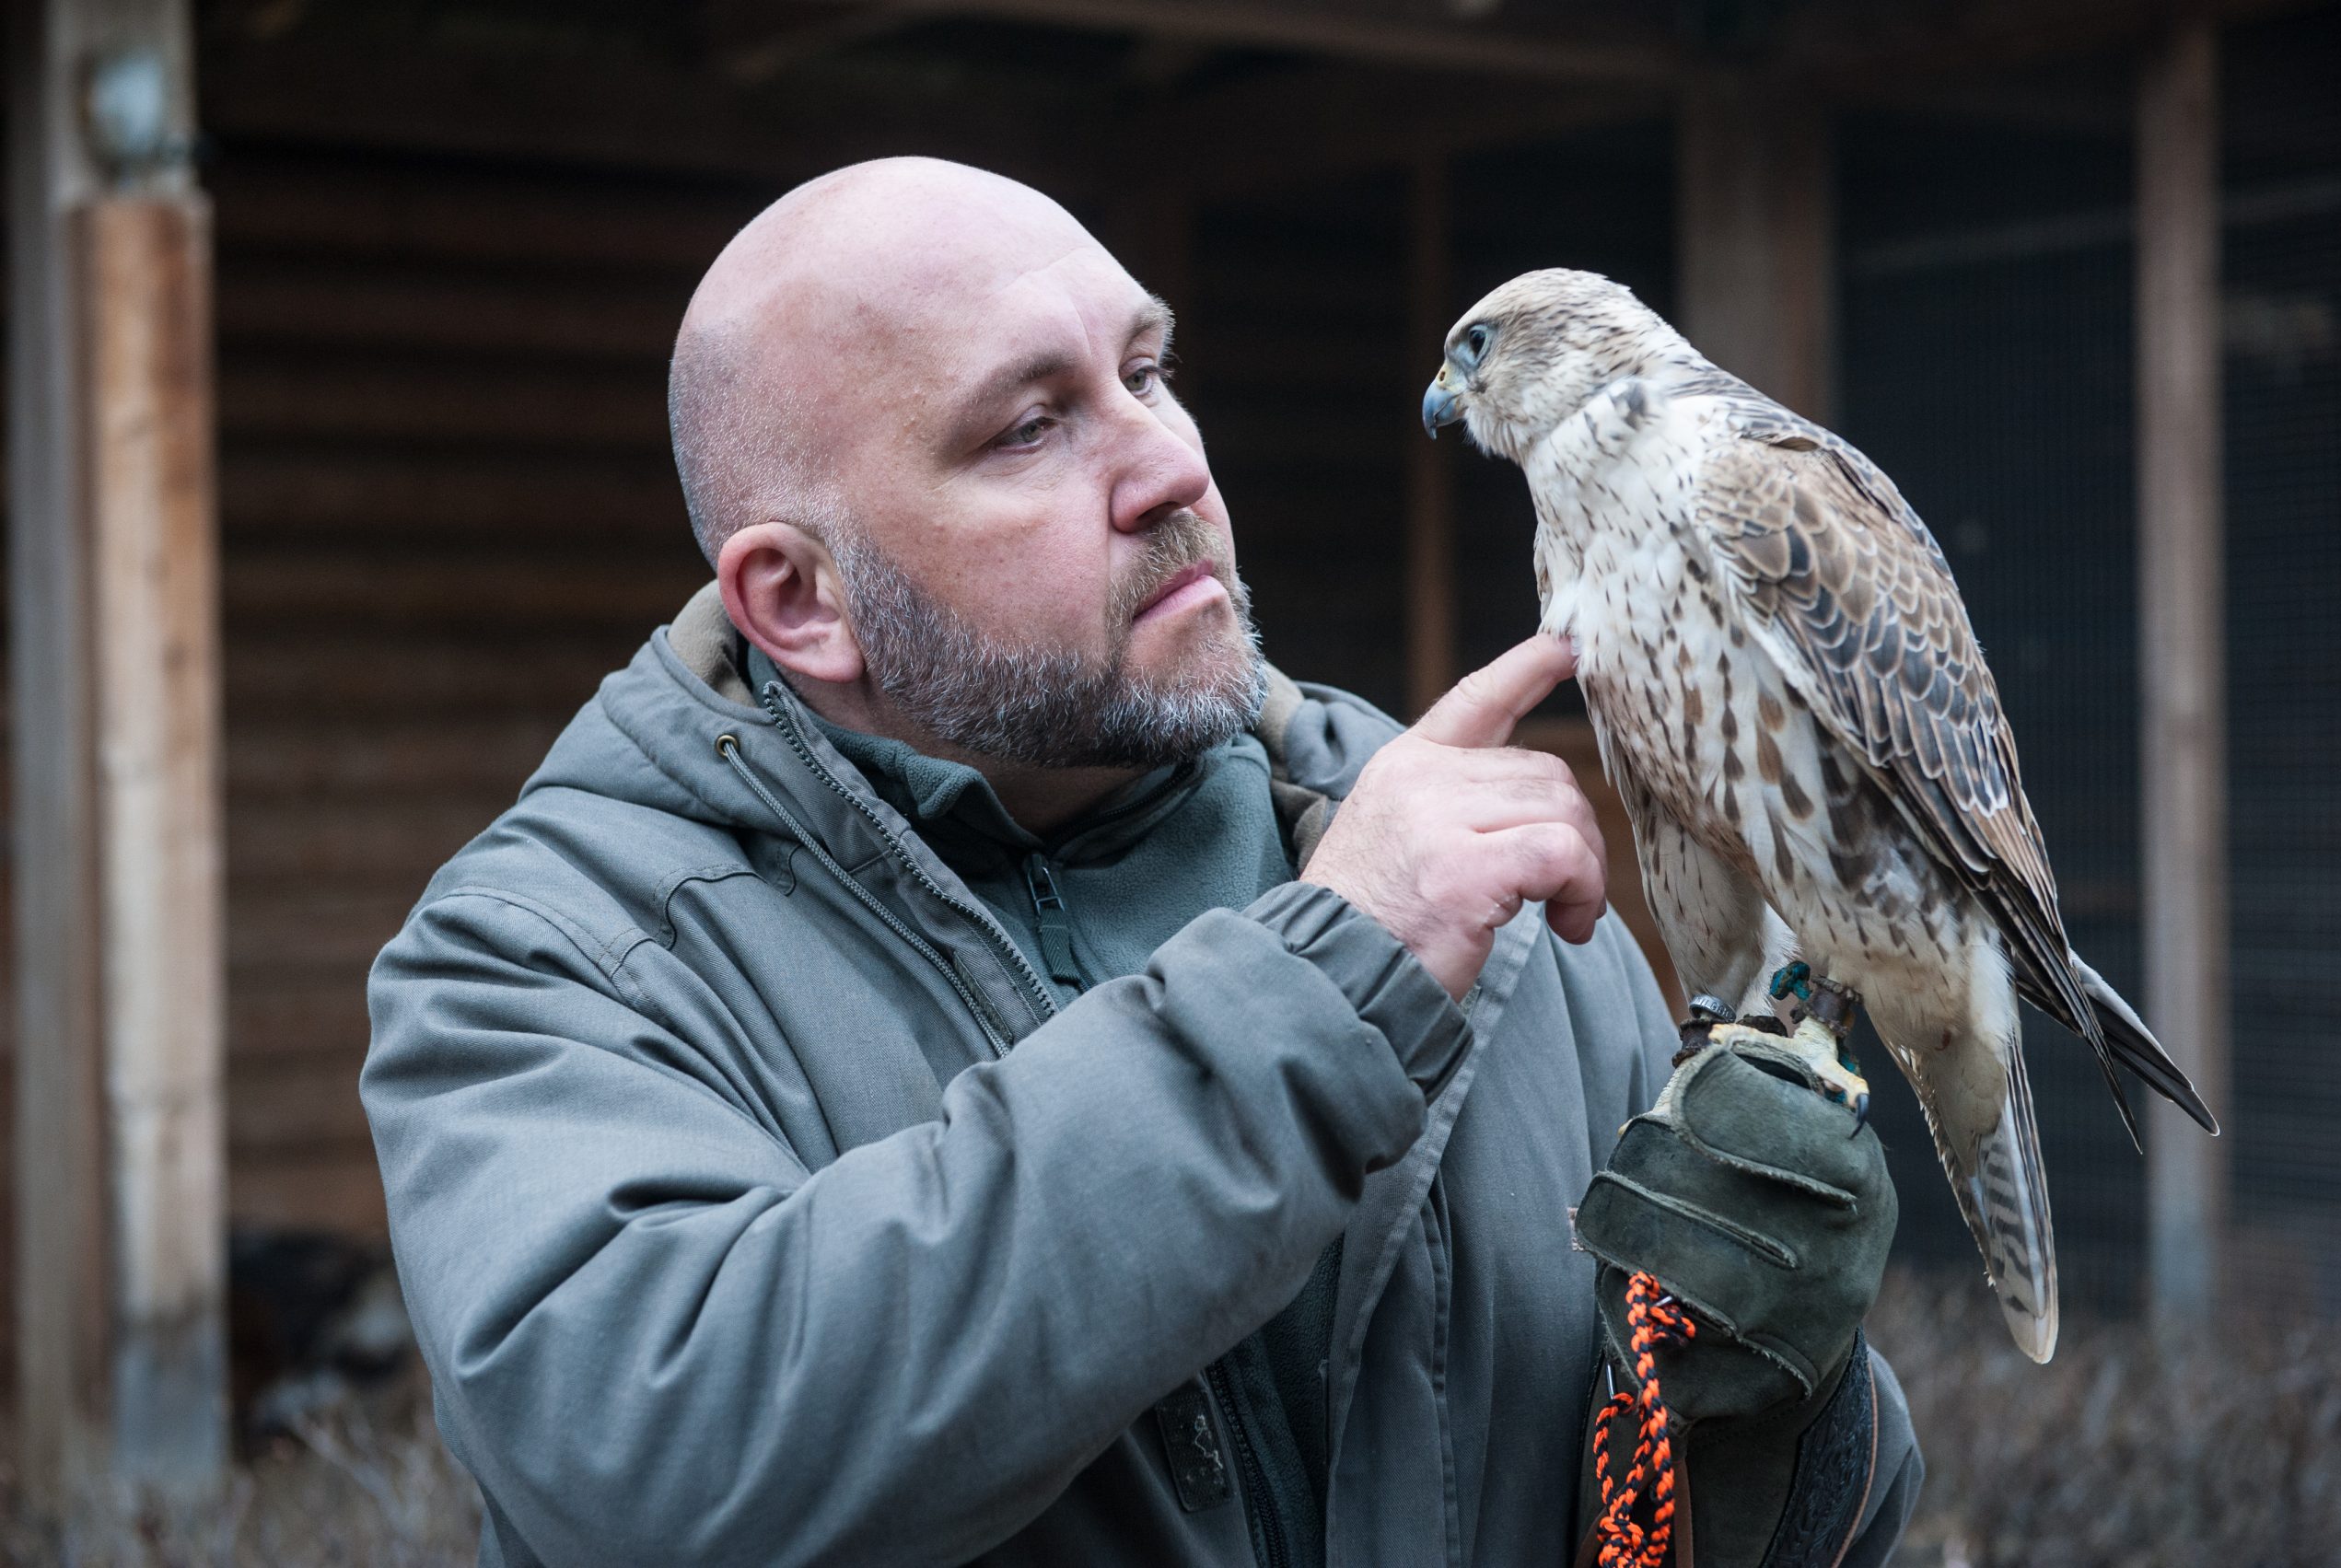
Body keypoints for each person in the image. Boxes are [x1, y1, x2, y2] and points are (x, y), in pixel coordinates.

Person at [363, 156, 1921, 1567]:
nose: (1172, 464)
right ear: (798, 602)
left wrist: (1777, 1401)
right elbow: (655, 1469)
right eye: (1029, 426)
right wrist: (1336, 975)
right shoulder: (540, 963)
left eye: (1148, 370)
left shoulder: (1476, 876)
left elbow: (1762, 1523)